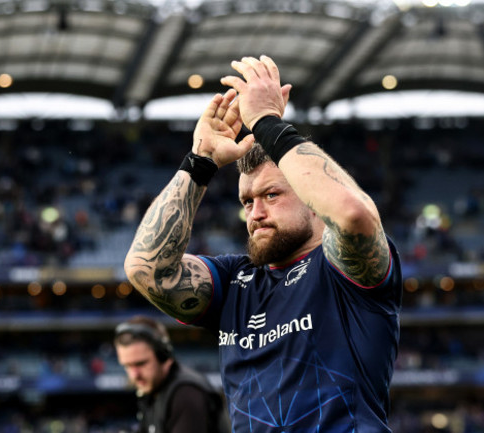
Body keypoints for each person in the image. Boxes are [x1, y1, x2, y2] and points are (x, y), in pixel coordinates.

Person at [124, 55, 402, 432]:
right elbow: (146, 269)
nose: (254, 213)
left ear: (312, 198)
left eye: (271, 195)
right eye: (246, 201)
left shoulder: (341, 268)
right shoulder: (234, 279)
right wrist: (200, 161)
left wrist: (268, 122)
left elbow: (353, 215)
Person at [114, 315, 230, 433]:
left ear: (163, 355)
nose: (134, 375)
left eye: (141, 364)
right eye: (127, 366)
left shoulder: (186, 393)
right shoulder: (152, 391)